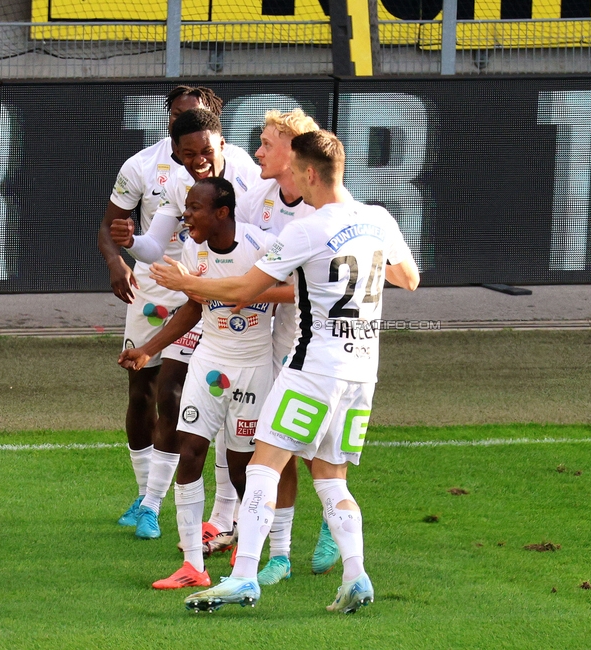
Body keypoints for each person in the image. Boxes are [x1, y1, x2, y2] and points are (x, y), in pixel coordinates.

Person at [150, 130, 419, 613]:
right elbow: (409, 278)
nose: (289, 176)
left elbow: (244, 290)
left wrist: (184, 281)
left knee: (262, 467)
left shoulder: (308, 229)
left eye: (295, 169)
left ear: (310, 174)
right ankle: (356, 575)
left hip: (313, 368)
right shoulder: (377, 219)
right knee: (332, 478)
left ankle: (244, 575)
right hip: (362, 373)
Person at [119, 177, 286, 589]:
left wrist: (248, 295)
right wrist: (147, 349)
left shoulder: (260, 246)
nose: (186, 215)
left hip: (253, 366)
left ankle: (251, 549)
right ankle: (193, 565)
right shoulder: (194, 249)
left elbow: (294, 291)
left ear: (222, 213)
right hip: (210, 361)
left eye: (194, 208)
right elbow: (193, 307)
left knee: (243, 467)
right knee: (190, 449)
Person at [110, 106, 261, 543]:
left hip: (251, 307)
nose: (199, 161)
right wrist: (131, 242)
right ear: (176, 154)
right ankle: (152, 503)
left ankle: (228, 517)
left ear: (222, 144)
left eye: (206, 151)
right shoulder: (179, 184)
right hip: (196, 293)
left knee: (237, 419)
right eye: (189, 154)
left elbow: (259, 245)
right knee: (172, 391)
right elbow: (156, 246)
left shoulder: (249, 177)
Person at [98, 86, 229, 541]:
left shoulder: (239, 176)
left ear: (213, 122)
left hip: (204, 287)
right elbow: (114, 228)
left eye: (194, 117)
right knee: (142, 391)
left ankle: (163, 504)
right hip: (152, 286)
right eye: (177, 118)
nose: (184, 123)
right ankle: (145, 495)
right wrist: (120, 258)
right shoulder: (144, 167)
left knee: (175, 392)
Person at [233, 108, 343, 584]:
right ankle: (279, 550)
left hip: (320, 340)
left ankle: (329, 522)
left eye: (266, 143)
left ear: (295, 154)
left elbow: (285, 283)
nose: (258, 150)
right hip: (277, 335)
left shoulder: (326, 209)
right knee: (276, 440)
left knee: (305, 442)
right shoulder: (257, 197)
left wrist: (223, 291)